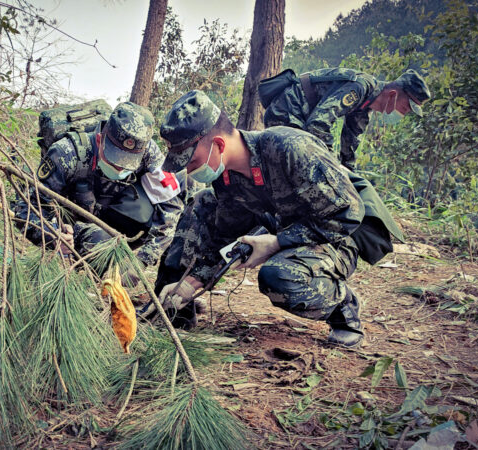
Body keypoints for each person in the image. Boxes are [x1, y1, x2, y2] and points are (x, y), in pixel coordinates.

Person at [154, 90, 401, 347]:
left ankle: (343, 307)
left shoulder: (290, 148)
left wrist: (277, 243)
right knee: (202, 202)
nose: (190, 171)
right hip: (282, 228)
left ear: (218, 145)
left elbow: (347, 214)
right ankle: (174, 308)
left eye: (192, 161)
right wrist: (191, 283)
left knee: (279, 277)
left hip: (337, 237)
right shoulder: (227, 178)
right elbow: (224, 236)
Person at [13, 102, 183, 271]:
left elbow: (171, 206)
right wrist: (54, 236)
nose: (119, 168)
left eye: (128, 164)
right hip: (75, 224)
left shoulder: (149, 152)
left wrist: (143, 260)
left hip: (116, 217)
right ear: (100, 139)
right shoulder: (65, 153)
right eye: (114, 158)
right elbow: (25, 210)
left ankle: (117, 259)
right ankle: (86, 274)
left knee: (183, 189)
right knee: (99, 238)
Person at [261, 68, 431, 170]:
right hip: (287, 111)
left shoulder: (364, 109)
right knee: (297, 166)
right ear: (393, 94)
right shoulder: (360, 87)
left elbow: (348, 148)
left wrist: (350, 176)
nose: (403, 113)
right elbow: (317, 124)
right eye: (405, 107)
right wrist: (332, 165)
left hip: (300, 118)